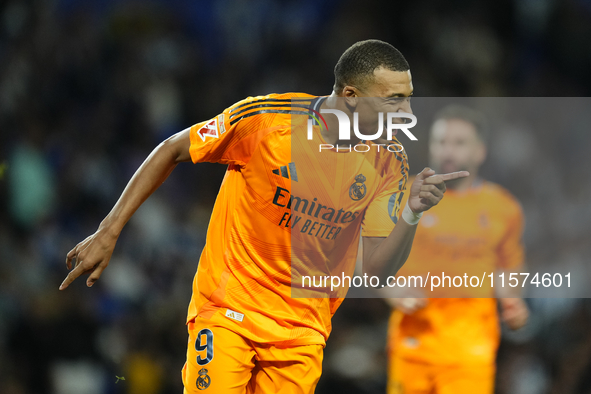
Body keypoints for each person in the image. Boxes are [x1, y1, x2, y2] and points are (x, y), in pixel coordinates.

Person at [60, 39, 467, 394]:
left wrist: (412, 213)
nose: (408, 111)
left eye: (409, 97)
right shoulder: (269, 121)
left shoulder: (389, 161)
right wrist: (108, 230)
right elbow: (172, 148)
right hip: (229, 310)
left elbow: (377, 270)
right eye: (394, 99)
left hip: (303, 331)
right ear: (352, 95)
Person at [385, 105, 529, 394]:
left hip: (471, 350)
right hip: (413, 342)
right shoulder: (402, 195)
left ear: (480, 152)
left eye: (459, 143)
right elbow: (369, 253)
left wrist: (512, 300)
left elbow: (508, 265)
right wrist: (388, 289)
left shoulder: (503, 207)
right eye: (441, 142)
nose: (447, 151)